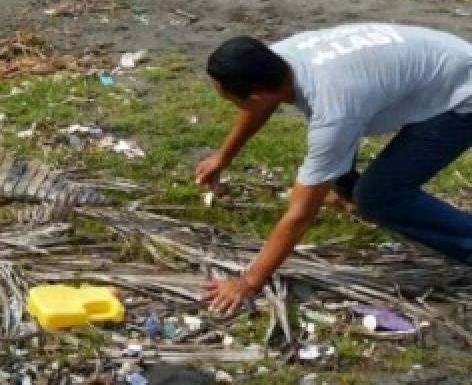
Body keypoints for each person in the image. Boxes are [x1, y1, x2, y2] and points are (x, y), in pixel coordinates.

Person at [197, 23, 472, 313]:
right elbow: (259, 105)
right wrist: (223, 156)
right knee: (338, 155)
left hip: (463, 95)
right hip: (440, 64)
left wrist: (249, 281)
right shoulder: (276, 59)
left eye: (228, 98)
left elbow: (300, 214)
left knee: (378, 197)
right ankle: (346, 193)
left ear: (256, 94)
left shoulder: (333, 110)